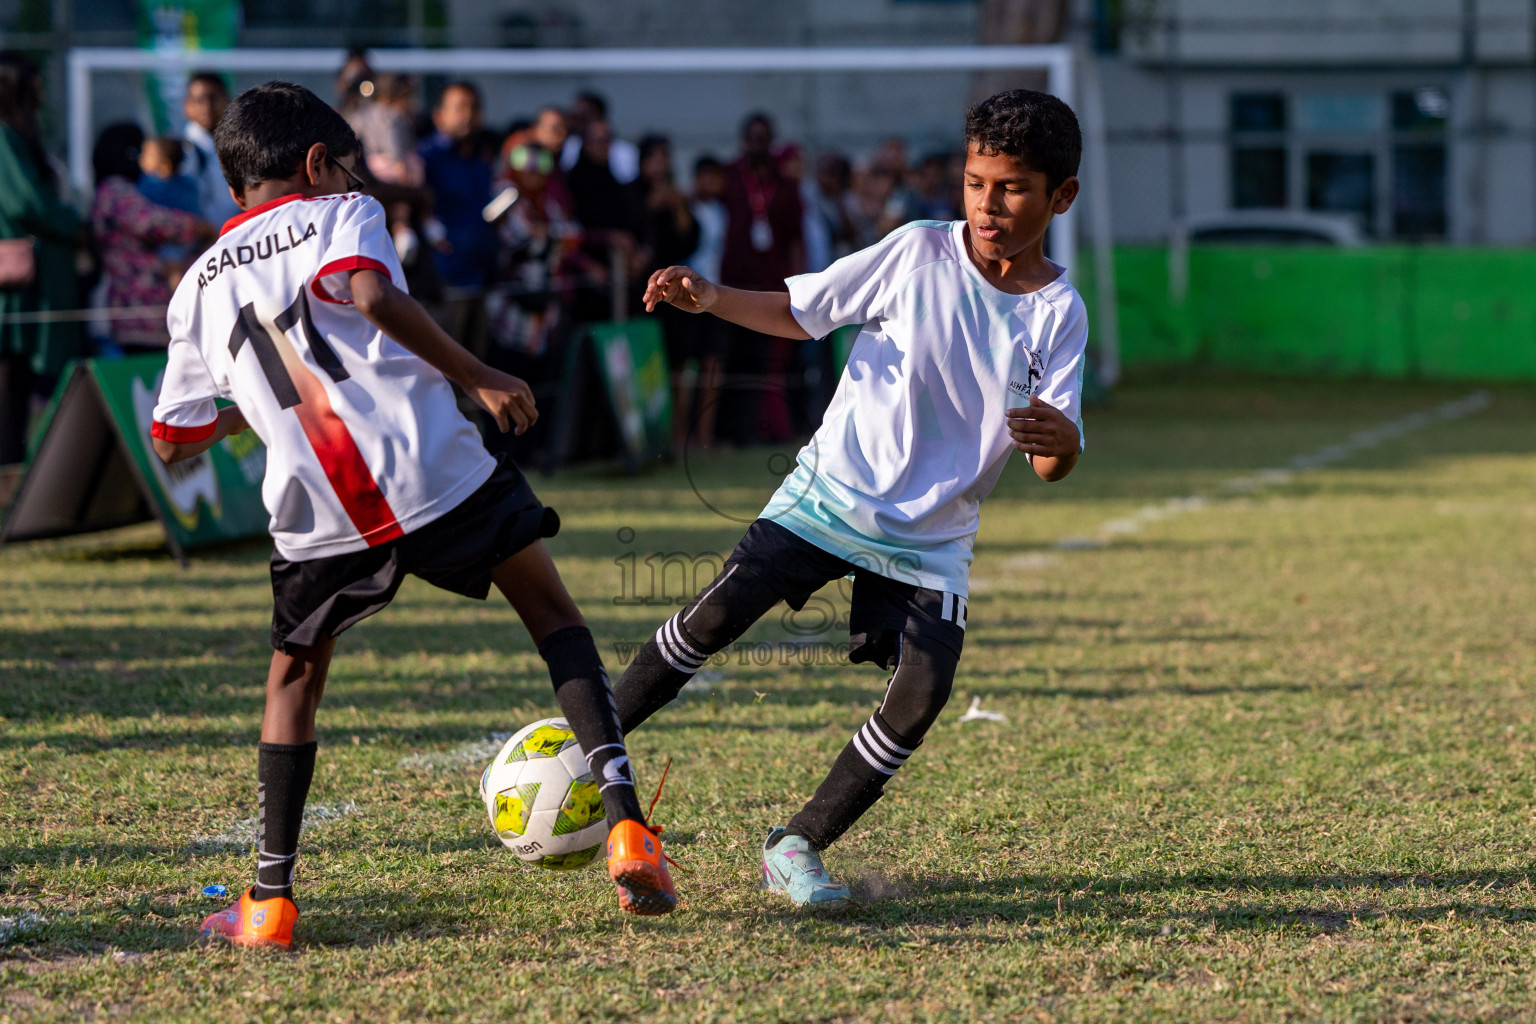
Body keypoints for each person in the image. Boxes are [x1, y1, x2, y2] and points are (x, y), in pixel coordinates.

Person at [149, 83, 675, 948]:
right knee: (552, 616)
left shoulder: (194, 289)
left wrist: (254, 402)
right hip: (430, 466)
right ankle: (627, 829)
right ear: (318, 164)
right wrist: (478, 374)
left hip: (318, 511)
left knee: (293, 684)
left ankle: (269, 901)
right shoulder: (341, 210)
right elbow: (369, 294)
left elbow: (174, 441)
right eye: (347, 164)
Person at [623, 89, 1087, 906]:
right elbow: (806, 312)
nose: (989, 204)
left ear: (1062, 196)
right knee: (713, 619)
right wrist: (712, 296)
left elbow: (1054, 460)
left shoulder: (1059, 312)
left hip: (934, 536)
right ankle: (588, 749)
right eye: (978, 183)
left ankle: (796, 844)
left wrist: (1061, 442)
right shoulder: (915, 252)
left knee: (922, 695)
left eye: (1013, 188)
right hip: (831, 494)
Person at [0, 51, 82, 467]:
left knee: (16, 390)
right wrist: (74, 223)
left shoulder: (18, 136)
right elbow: (27, 203)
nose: (42, 93)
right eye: (35, 84)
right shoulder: (2, 137)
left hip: (27, 289)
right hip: (11, 296)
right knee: (7, 388)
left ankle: (14, 482)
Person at [718, 112, 803, 445]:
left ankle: (756, 429)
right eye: (751, 138)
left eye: (763, 138)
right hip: (733, 281)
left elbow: (795, 237)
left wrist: (797, 280)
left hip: (771, 283)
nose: (757, 145)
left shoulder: (784, 185)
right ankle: (727, 430)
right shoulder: (731, 177)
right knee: (731, 360)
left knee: (763, 361)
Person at [90, 123, 209, 352]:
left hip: (147, 311)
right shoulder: (115, 189)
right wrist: (202, 228)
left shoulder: (129, 188)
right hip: (139, 312)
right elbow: (150, 222)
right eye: (141, 152)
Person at [419, 81, 498, 362]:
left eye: (474, 108)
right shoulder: (426, 158)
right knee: (443, 368)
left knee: (477, 365)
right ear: (440, 115)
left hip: (481, 276)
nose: (468, 115)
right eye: (460, 107)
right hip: (446, 282)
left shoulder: (481, 158)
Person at [671, 155, 729, 451]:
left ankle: (704, 438)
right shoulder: (685, 208)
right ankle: (680, 436)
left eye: (713, 177)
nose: (708, 183)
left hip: (717, 295)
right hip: (687, 296)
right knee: (682, 368)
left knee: (712, 367)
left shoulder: (724, 211)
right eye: (702, 176)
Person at [180, 72, 242, 228]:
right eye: (199, 100)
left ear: (227, 100)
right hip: (197, 246)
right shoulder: (181, 151)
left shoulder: (240, 146)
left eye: (213, 98)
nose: (207, 107)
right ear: (187, 106)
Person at [560, 92, 638, 185]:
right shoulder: (569, 146)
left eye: (584, 116)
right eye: (576, 116)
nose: (578, 122)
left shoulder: (625, 151)